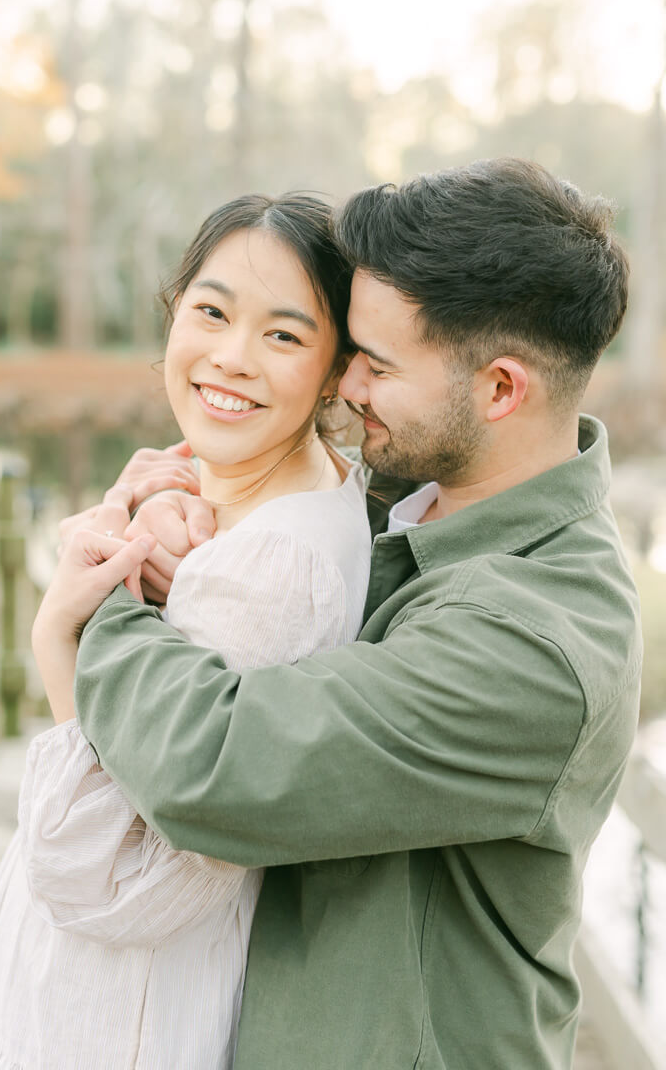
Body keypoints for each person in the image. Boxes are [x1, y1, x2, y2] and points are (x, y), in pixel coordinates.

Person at [57, 159, 641, 1069]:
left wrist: (104, 600)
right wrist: (164, 515)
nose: (345, 384)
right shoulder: (417, 502)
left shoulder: (534, 643)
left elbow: (217, 764)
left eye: (375, 362)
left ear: (499, 390)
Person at [0, 193, 373, 1070]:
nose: (231, 359)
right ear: (172, 315)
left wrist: (61, 639)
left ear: (333, 371)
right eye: (210, 312)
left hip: (107, 1019)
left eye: (283, 335)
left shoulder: (273, 574)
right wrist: (144, 505)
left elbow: (117, 878)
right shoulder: (245, 488)